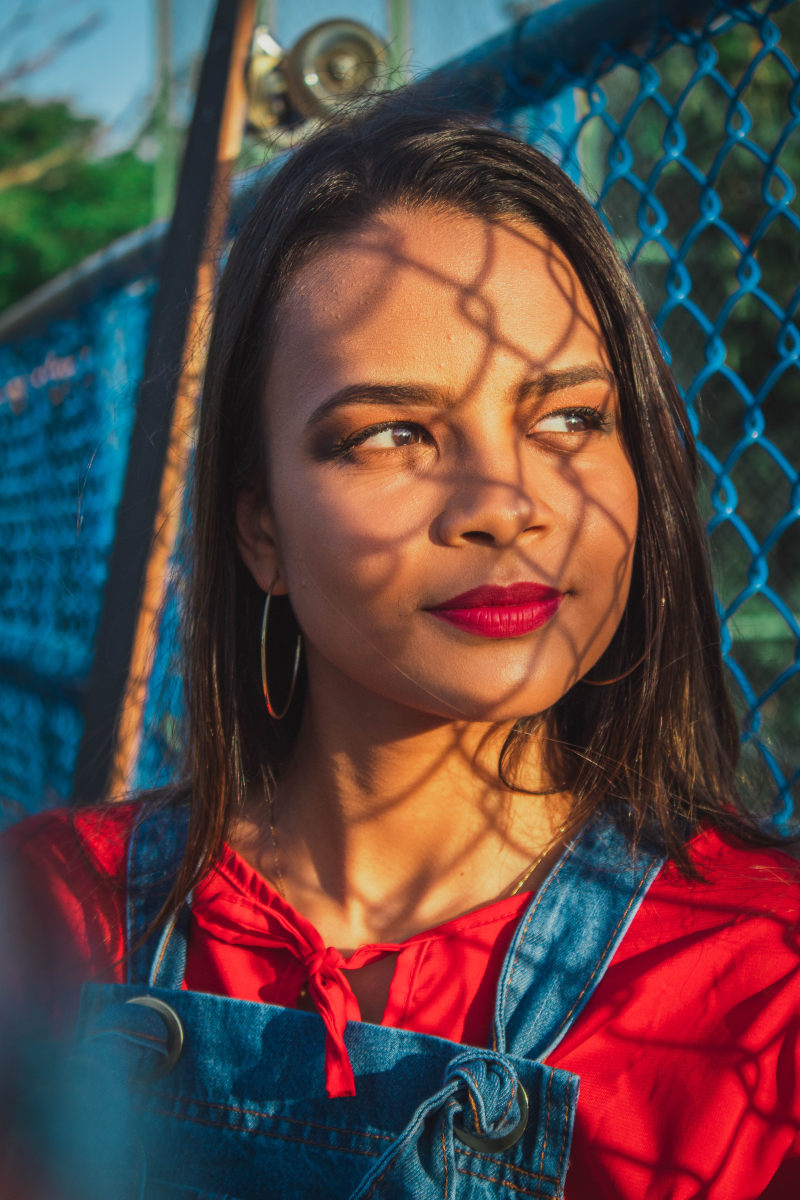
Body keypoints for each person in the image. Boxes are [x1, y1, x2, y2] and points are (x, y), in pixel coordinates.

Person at [3, 98, 799, 1199]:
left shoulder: (764, 974)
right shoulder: (48, 917)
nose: (504, 505)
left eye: (566, 418)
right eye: (391, 434)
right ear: (261, 526)